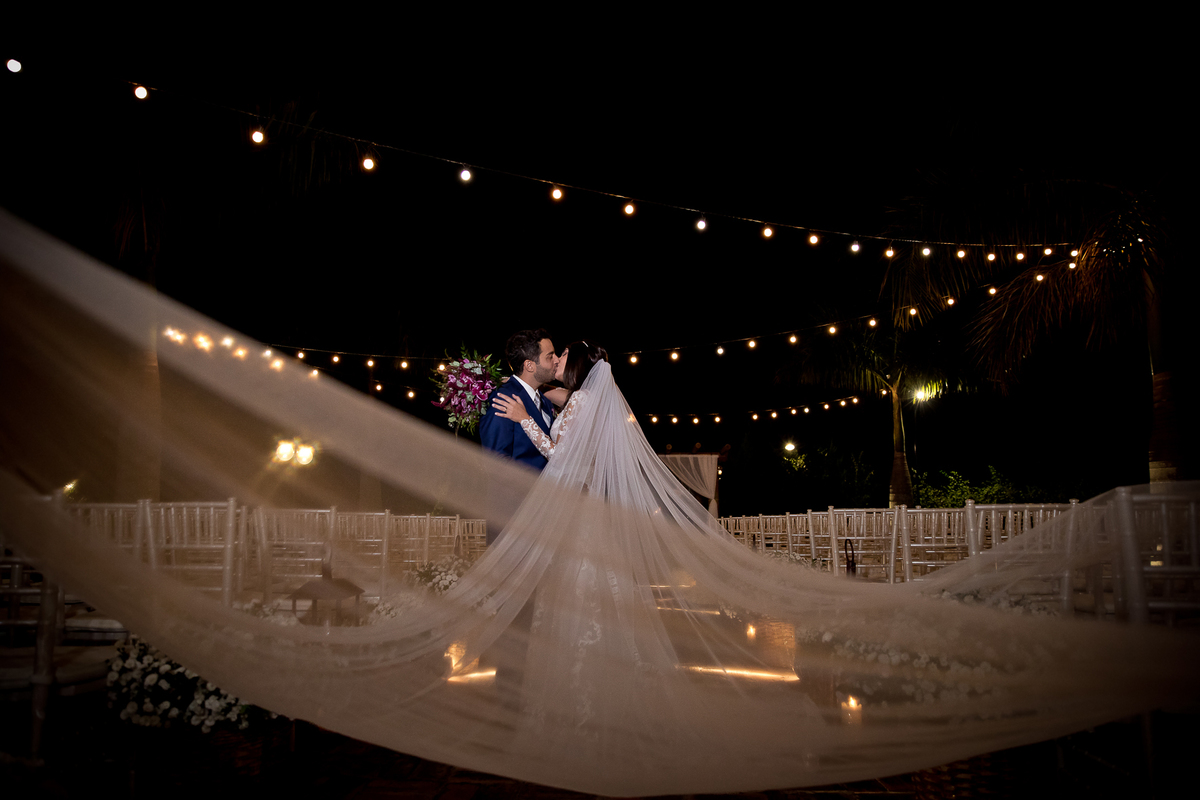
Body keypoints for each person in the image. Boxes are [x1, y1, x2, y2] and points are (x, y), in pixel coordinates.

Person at [491, 341, 606, 464]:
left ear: (577, 361)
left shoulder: (580, 397)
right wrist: (514, 382)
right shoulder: (588, 397)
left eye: (564, 354)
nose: (557, 360)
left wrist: (524, 419)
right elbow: (549, 392)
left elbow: (560, 457)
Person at [479, 329, 560, 475]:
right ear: (529, 365)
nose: (557, 360)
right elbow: (497, 464)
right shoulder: (503, 398)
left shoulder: (545, 401)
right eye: (550, 356)